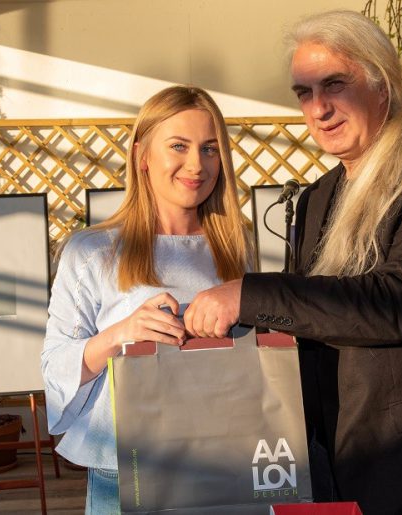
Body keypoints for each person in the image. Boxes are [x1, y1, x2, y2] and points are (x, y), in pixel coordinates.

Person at [183, 10, 402, 515]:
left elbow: (399, 302)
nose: (318, 108)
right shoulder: (318, 196)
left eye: (334, 84)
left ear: (382, 85)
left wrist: (247, 292)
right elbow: (311, 316)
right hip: (332, 458)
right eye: (304, 92)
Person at [41, 85, 252, 514]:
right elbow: (55, 367)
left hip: (223, 459)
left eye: (210, 149)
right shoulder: (91, 250)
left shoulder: (237, 247)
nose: (197, 164)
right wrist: (119, 335)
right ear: (142, 156)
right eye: (179, 146)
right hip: (128, 468)